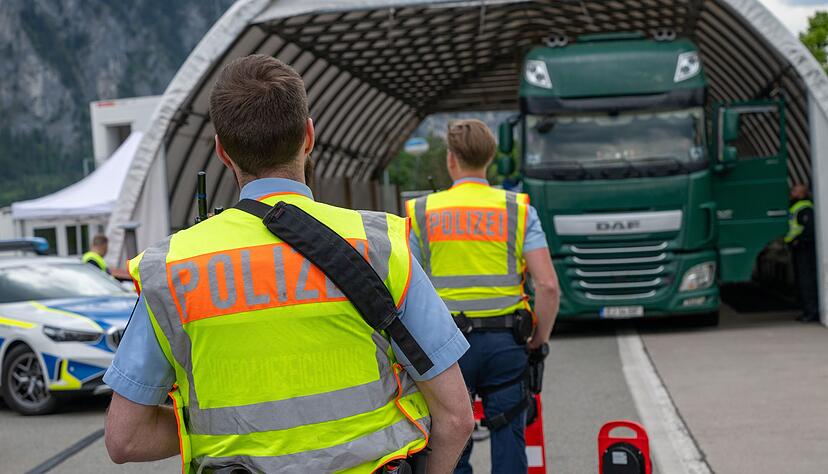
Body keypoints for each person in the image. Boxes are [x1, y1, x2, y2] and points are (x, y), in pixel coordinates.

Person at [103, 55, 474, 473]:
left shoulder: (169, 269)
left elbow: (124, 438)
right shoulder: (380, 246)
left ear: (222, 151)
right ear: (309, 136)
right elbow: (457, 417)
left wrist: (223, 424)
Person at [406, 120, 560, 474]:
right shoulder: (517, 209)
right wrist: (539, 339)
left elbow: (408, 284)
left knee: (451, 442)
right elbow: (548, 285)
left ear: (451, 160)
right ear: (490, 157)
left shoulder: (422, 212)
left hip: (446, 348)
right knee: (510, 437)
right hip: (507, 342)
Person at [785, 184, 819, 323]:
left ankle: (811, 312)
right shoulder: (795, 207)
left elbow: (809, 229)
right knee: (802, 281)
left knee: (807, 281)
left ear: (802, 194)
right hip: (798, 249)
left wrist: (798, 241)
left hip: (804, 249)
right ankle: (807, 310)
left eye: (794, 190)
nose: (791, 191)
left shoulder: (804, 208)